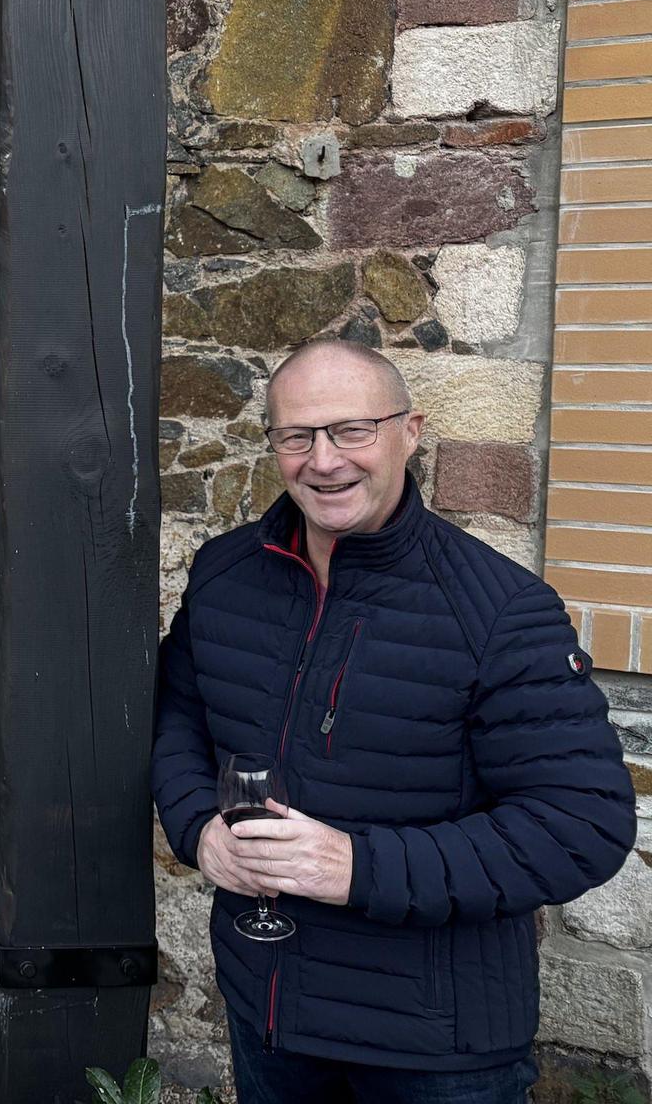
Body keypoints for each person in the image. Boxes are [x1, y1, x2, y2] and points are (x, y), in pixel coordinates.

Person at [152, 338, 634, 1102]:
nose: (324, 461)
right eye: (297, 436)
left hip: (436, 1049)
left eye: (352, 430)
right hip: (270, 1014)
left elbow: (582, 826)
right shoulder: (225, 574)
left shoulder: (500, 610)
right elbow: (178, 714)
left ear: (410, 432)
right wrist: (197, 830)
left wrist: (356, 867)